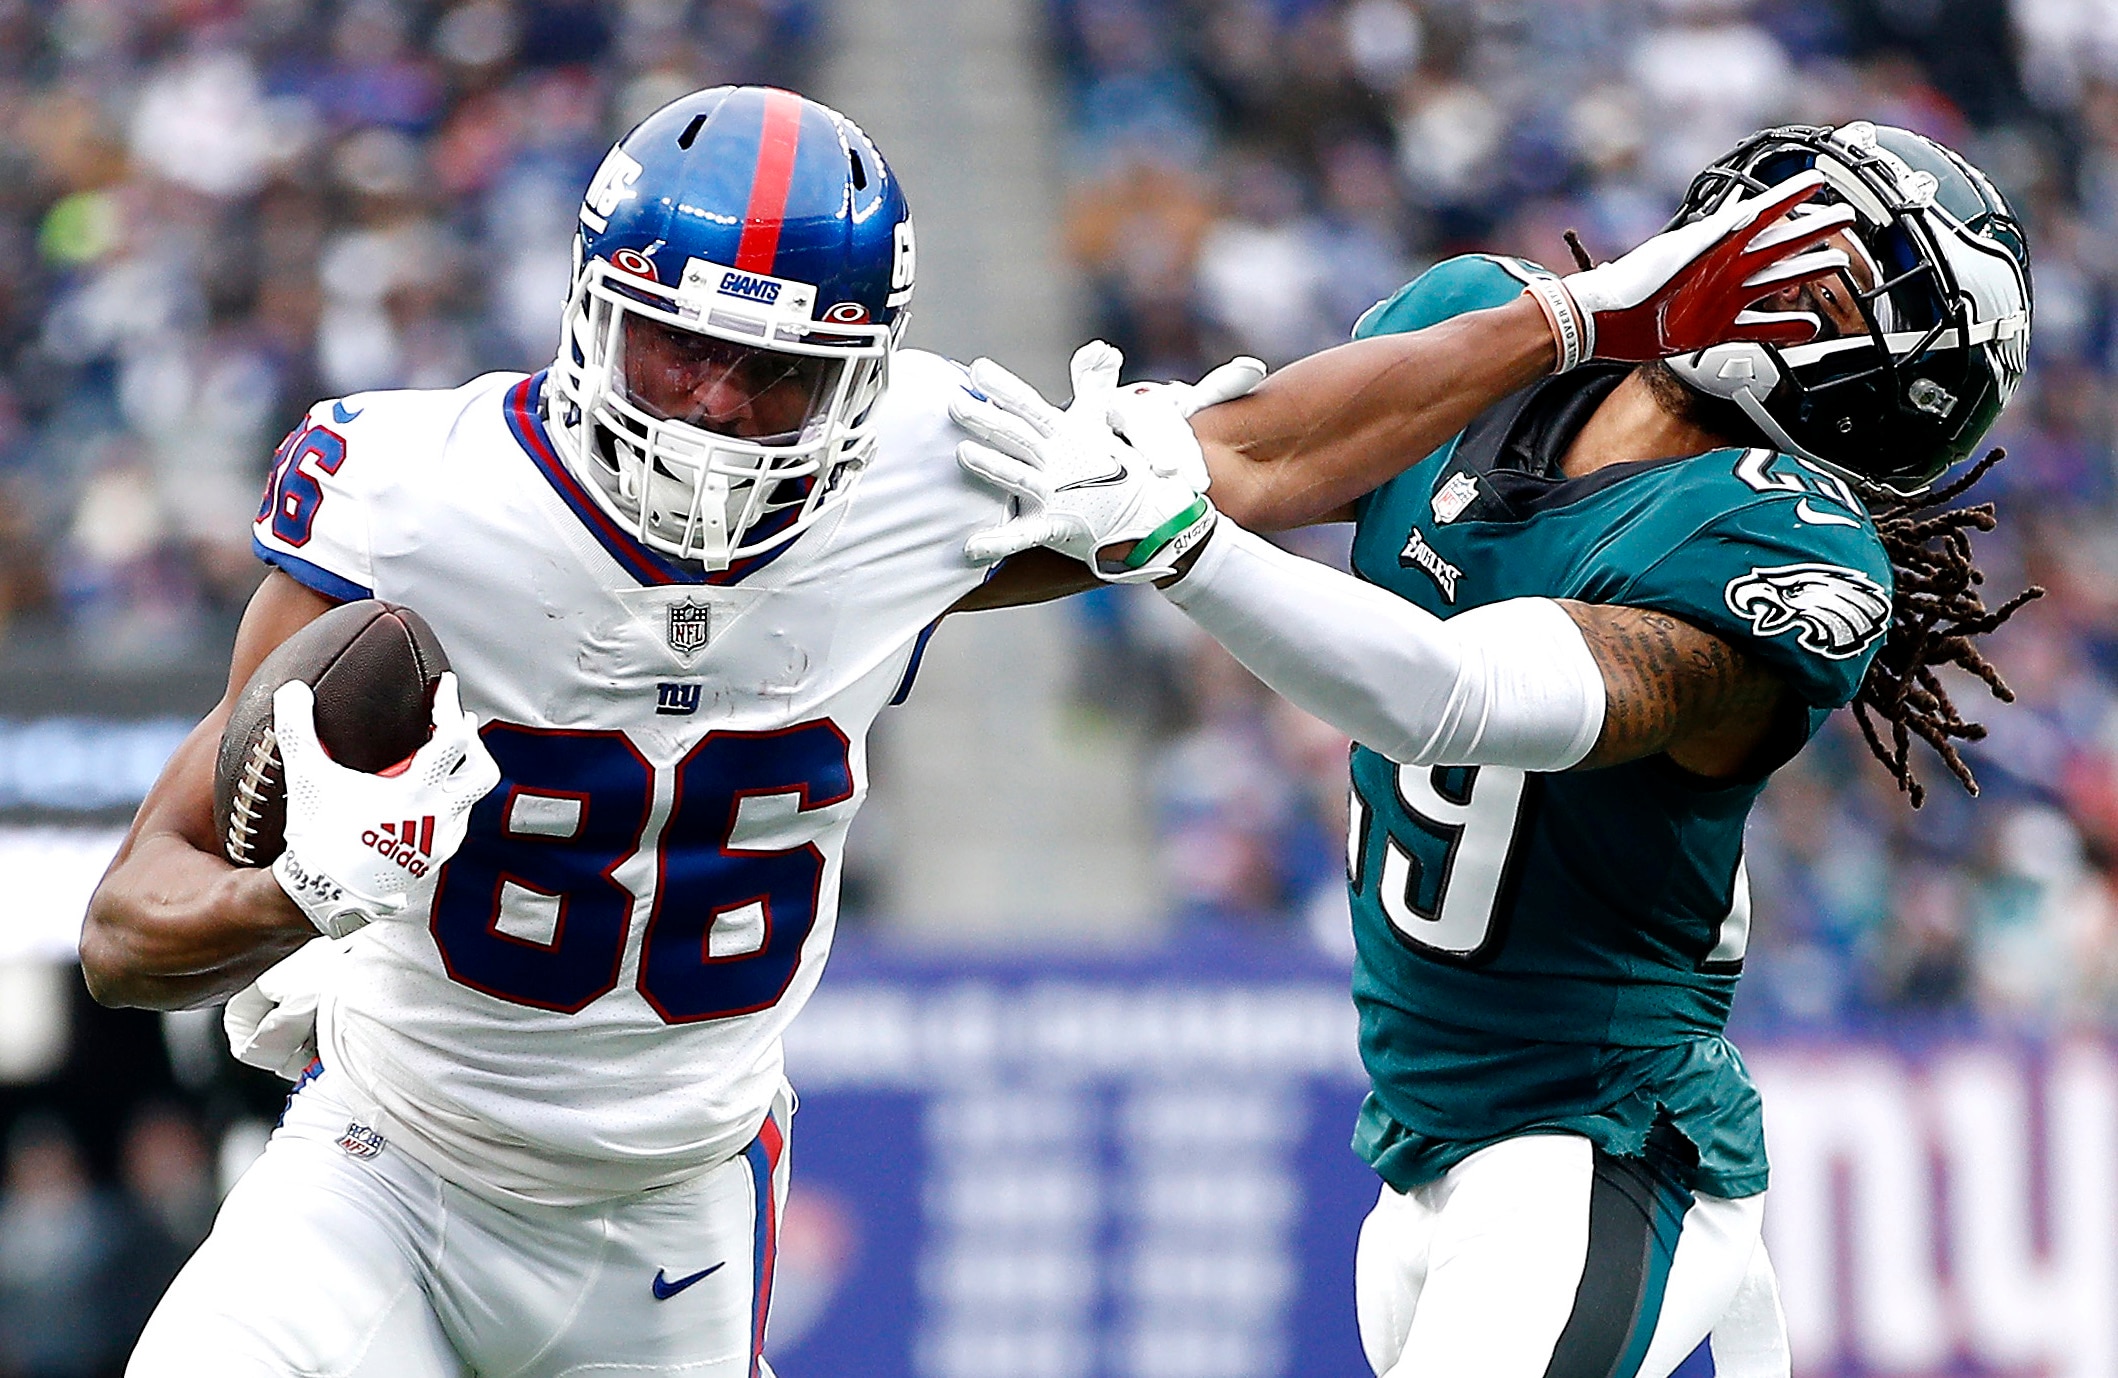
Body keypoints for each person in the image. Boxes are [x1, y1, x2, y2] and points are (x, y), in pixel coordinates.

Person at [951, 122, 2035, 1377]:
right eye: (1774, 208)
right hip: (1422, 1155)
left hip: (1597, 1152)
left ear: (1892, 390)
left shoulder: (1786, 552)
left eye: (1829, 270)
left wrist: (1181, 546)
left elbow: (1459, 693)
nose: (1759, 245)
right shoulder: (1487, 329)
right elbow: (1233, 460)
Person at [79, 85, 1004, 1377]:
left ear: (861, 380)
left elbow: (1257, 461)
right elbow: (125, 932)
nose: (716, 407)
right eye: (675, 344)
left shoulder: (934, 482)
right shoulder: (419, 498)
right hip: (388, 1162)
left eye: (780, 371)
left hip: (673, 1217)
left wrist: (1180, 535)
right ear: (592, 309)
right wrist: (302, 890)